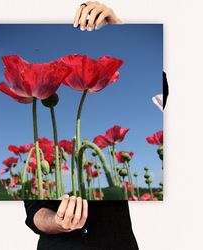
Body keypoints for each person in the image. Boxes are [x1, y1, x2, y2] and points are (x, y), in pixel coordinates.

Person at [24, 2, 169, 249]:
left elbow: (162, 87)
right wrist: (58, 221)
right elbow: (34, 213)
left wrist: (119, 28)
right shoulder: (37, 162)